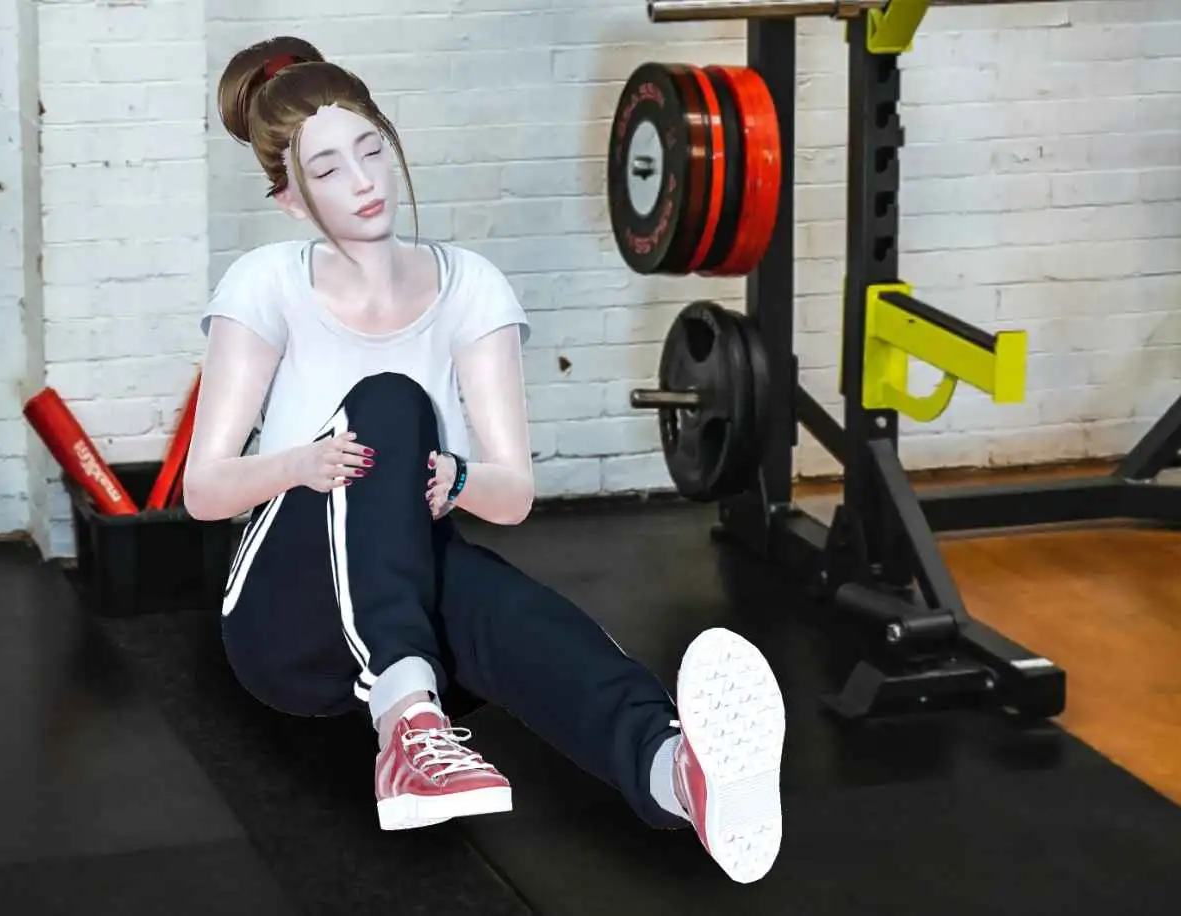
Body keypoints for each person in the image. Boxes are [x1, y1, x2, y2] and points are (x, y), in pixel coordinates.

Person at [183, 35, 788, 885]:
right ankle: (407, 724)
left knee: (510, 610)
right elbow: (203, 490)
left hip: (409, 590)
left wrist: (460, 478)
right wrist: (300, 465)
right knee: (389, 400)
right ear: (290, 201)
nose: (362, 181)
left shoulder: (469, 286)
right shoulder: (264, 284)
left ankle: (676, 774)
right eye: (326, 169)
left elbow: (511, 496)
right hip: (287, 618)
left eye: (371, 150)